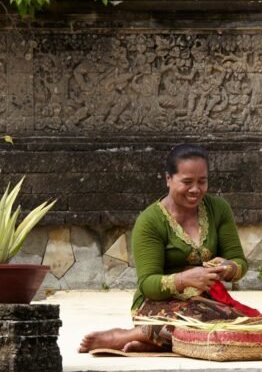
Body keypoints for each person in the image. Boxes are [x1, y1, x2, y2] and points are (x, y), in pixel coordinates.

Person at [79, 144, 252, 353]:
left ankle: (153, 342)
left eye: (202, 181)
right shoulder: (150, 221)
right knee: (196, 322)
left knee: (238, 325)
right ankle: (126, 335)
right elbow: (147, 284)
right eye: (187, 182)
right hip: (158, 306)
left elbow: (240, 261)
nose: (195, 189)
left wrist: (228, 268)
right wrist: (184, 279)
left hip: (205, 304)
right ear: (168, 179)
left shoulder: (219, 209)